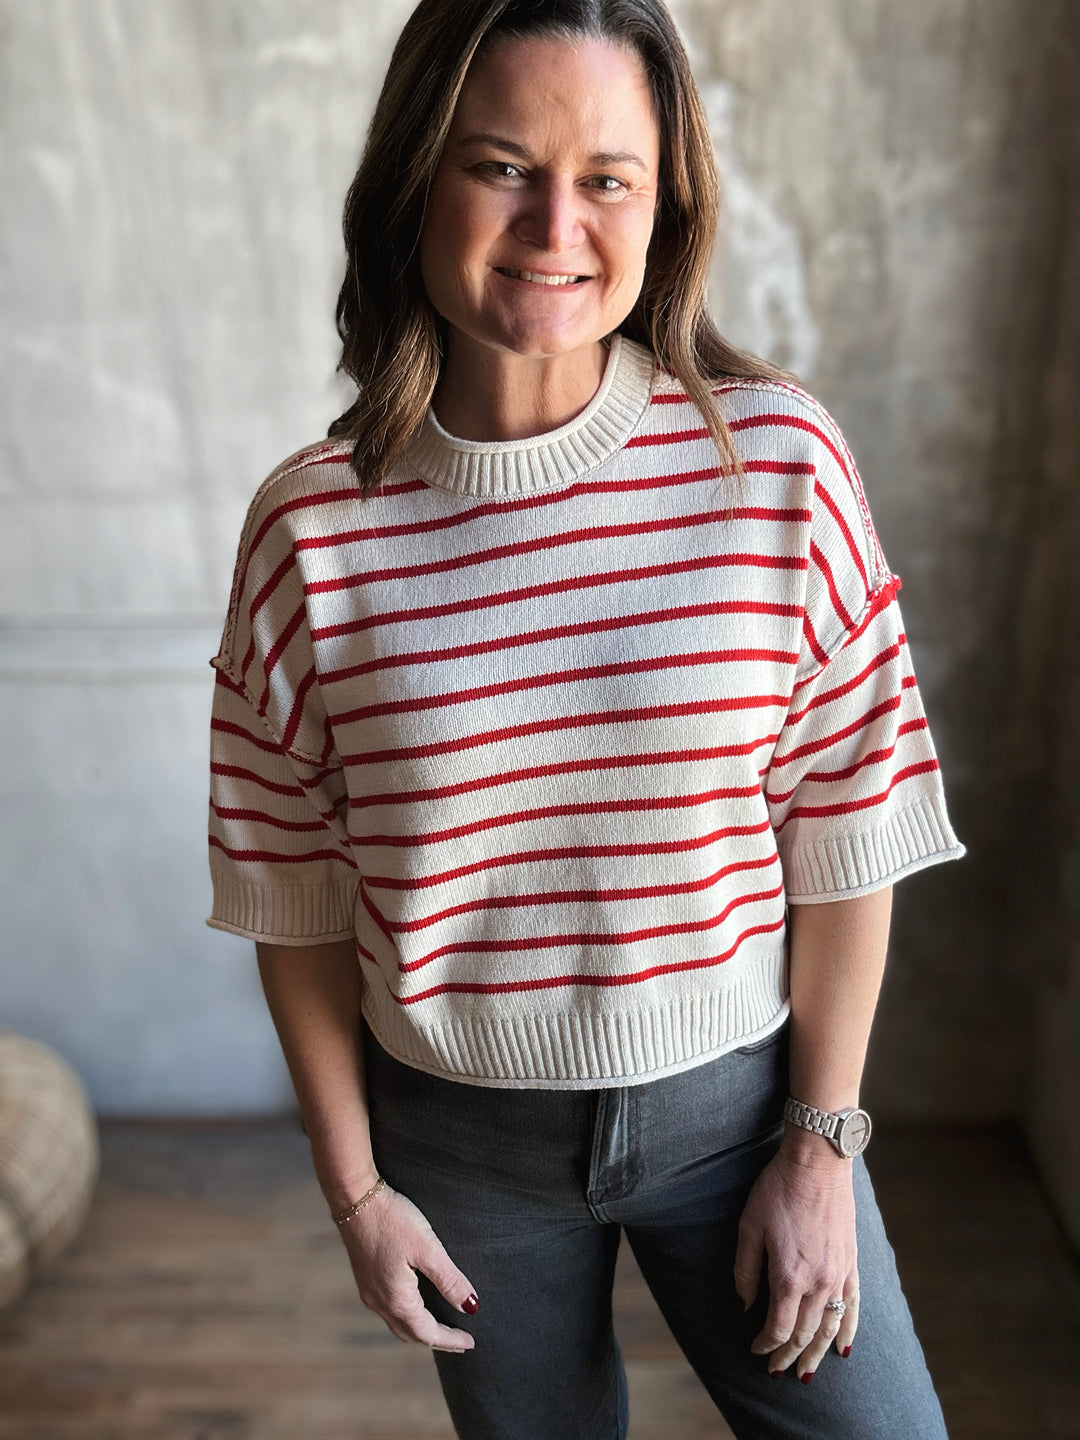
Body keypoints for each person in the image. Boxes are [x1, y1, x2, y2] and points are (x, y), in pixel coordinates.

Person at [205, 2, 965, 1435]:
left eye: (607, 176)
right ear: (416, 177)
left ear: (664, 204)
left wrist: (820, 1144)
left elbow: (849, 828)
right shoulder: (309, 528)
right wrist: (356, 1189)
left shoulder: (776, 460)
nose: (557, 224)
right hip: (457, 1150)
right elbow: (291, 896)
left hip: (746, 1122)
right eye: (502, 165)